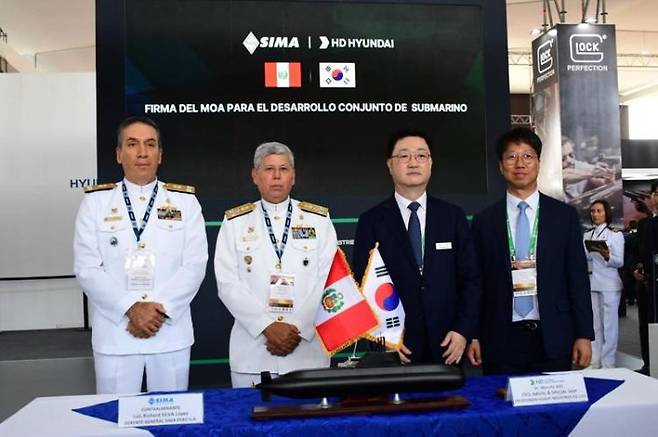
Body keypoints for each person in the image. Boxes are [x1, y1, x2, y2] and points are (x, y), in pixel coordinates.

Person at [74, 116, 208, 394]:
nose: (143, 152)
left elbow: (194, 265)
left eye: (150, 144)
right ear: (119, 154)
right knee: (113, 415)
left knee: (172, 416)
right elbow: (87, 268)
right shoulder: (95, 203)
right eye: (133, 144)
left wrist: (158, 311)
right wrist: (131, 308)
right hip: (116, 334)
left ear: (160, 154)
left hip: (169, 332)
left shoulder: (185, 202)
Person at [468, 127, 593, 374]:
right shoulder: (484, 221)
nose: (520, 164)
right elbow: (476, 282)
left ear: (538, 163)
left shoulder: (564, 216)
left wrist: (584, 334)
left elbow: (577, 278)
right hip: (499, 336)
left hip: (554, 334)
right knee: (501, 398)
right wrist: (473, 334)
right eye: (511, 156)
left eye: (527, 156)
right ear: (500, 165)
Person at [352, 129, 481, 366]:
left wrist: (463, 331)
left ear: (431, 164)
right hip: (397, 347)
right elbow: (362, 284)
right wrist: (383, 338)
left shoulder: (452, 217)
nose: (413, 162)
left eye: (421, 155)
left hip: (448, 345)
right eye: (404, 156)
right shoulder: (371, 221)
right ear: (390, 165)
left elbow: (471, 280)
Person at [214, 141, 337, 388]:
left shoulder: (319, 220)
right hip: (253, 352)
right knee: (251, 413)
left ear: (293, 176)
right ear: (255, 176)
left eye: (284, 169)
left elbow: (329, 280)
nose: (277, 176)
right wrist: (267, 326)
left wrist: (297, 328)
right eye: (269, 169)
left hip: (307, 352)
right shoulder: (235, 222)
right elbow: (227, 283)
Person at [584, 199, 624, 368]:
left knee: (609, 325)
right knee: (594, 325)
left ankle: (608, 362)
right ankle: (595, 360)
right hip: (592, 282)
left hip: (609, 283)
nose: (595, 214)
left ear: (606, 213)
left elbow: (619, 261)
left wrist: (607, 256)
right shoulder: (587, 235)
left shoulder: (615, 234)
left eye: (599, 211)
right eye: (593, 211)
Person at [632, 180, 658, 374]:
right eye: (655, 193)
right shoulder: (644, 224)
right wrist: (635, 269)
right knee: (645, 323)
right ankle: (649, 363)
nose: (657, 197)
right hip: (647, 285)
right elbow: (636, 253)